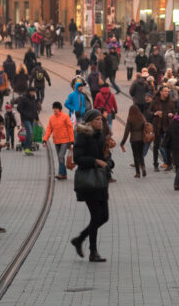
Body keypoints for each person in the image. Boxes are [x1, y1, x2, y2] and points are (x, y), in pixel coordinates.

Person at [71, 109, 110, 262]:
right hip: (88, 182)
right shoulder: (82, 136)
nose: (100, 122)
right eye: (96, 120)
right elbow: (78, 158)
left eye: (101, 119)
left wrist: (108, 161)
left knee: (104, 217)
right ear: (89, 122)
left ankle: (79, 240)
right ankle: (92, 251)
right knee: (96, 216)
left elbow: (105, 157)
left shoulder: (101, 136)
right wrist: (95, 161)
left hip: (100, 181)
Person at [43, 101, 75, 181]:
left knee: (61, 156)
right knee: (60, 158)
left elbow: (70, 128)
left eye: (56, 109)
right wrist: (45, 139)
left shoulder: (65, 117)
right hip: (56, 141)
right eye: (54, 109)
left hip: (65, 140)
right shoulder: (52, 118)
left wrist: (71, 140)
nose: (55, 110)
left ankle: (61, 173)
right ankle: (64, 174)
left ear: (60, 109)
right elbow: (49, 129)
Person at [119, 104, 149, 178]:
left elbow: (126, 132)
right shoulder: (142, 117)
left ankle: (137, 173)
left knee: (135, 156)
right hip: (141, 138)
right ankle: (143, 167)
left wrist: (122, 142)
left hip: (133, 139)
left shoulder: (130, 119)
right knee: (141, 154)